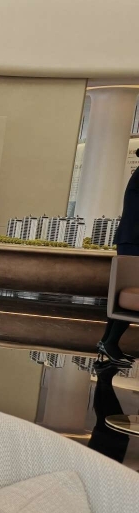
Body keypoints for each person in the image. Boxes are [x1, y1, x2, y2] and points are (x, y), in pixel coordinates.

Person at [97, 149, 139, 364]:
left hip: (131, 239)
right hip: (134, 239)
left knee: (123, 292)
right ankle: (110, 342)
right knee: (127, 291)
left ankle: (107, 342)